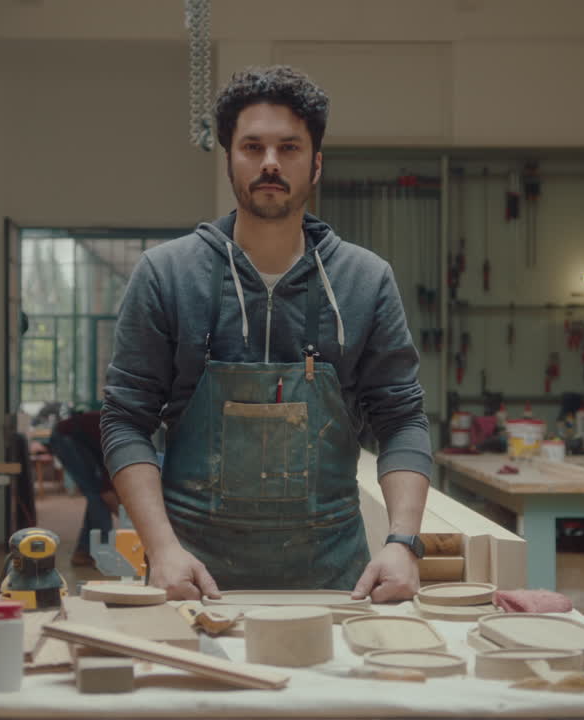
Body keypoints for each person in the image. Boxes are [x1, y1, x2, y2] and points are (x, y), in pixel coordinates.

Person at [101, 65, 431, 602]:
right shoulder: (167, 275)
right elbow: (124, 418)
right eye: (252, 147)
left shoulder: (365, 281)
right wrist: (160, 549)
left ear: (316, 163)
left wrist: (402, 542)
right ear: (229, 158)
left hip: (334, 582)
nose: (270, 163)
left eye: (289, 148)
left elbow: (402, 420)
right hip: (191, 577)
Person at [46, 409, 120, 567]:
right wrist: (128, 519)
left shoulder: (122, 440)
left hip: (77, 436)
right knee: (96, 495)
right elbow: (107, 493)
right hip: (66, 436)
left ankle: (84, 552)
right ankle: (102, 553)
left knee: (96, 496)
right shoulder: (118, 439)